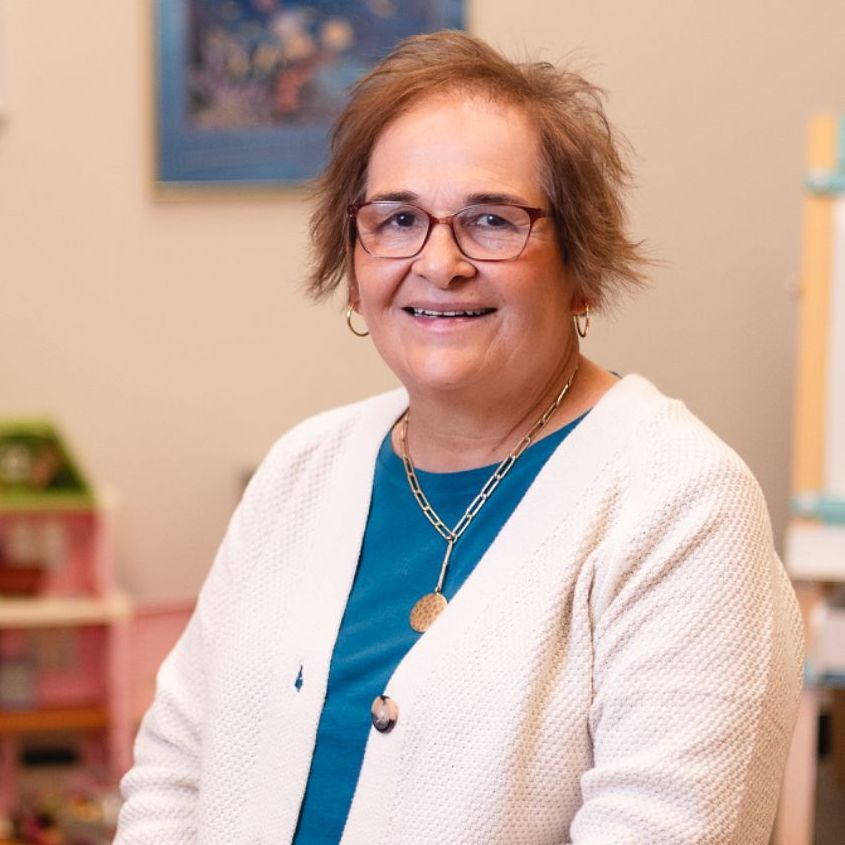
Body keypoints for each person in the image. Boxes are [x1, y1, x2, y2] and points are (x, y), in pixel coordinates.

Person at [116, 31, 803, 844]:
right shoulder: (301, 468)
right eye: (398, 217)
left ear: (580, 261)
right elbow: (173, 771)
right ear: (354, 256)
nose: (438, 263)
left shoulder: (680, 504)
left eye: (490, 220)